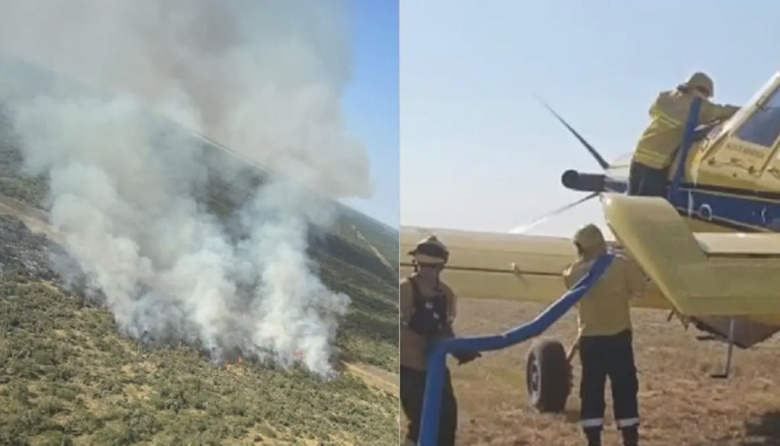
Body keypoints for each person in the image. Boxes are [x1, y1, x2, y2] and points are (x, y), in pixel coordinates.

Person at [562, 224, 648, 446]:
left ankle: (593, 439)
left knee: (591, 390)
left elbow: (568, 279)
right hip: (618, 338)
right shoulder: (620, 265)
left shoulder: (574, 272)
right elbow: (640, 287)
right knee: (625, 388)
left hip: (590, 341)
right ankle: (629, 438)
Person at [399, 235, 481, 446]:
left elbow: (444, 328)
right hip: (409, 369)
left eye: (432, 266)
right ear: (416, 263)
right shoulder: (404, 291)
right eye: (423, 265)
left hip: (435, 369)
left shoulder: (446, 294)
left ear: (441, 267)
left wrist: (459, 349)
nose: (426, 270)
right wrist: (416, 332)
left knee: (446, 425)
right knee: (420, 425)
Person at [629, 71, 741, 197]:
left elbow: (652, 111)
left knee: (632, 202)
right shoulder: (698, 107)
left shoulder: (666, 96)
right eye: (706, 95)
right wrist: (749, 109)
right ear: (700, 90)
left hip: (639, 154)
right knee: (650, 206)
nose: (706, 98)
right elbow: (723, 110)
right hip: (656, 162)